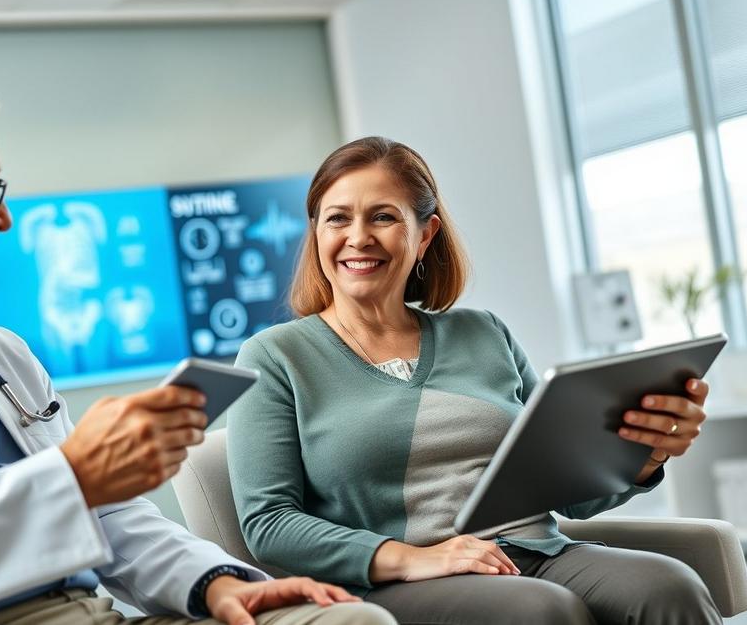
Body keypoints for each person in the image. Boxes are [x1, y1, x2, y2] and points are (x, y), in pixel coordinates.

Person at [0, 57, 398, 625]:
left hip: (89, 610)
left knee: (348, 624)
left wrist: (216, 582)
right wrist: (72, 477)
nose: (2, 217)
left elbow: (113, 519)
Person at [227, 136, 721, 625]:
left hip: (536, 552)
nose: (358, 237)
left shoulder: (483, 333)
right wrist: (412, 557)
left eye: (384, 216)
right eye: (338, 218)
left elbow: (568, 487)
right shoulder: (273, 357)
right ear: (316, 233)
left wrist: (645, 453)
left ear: (424, 235)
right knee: (541, 610)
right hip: (402, 582)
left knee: (669, 586)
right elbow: (269, 524)